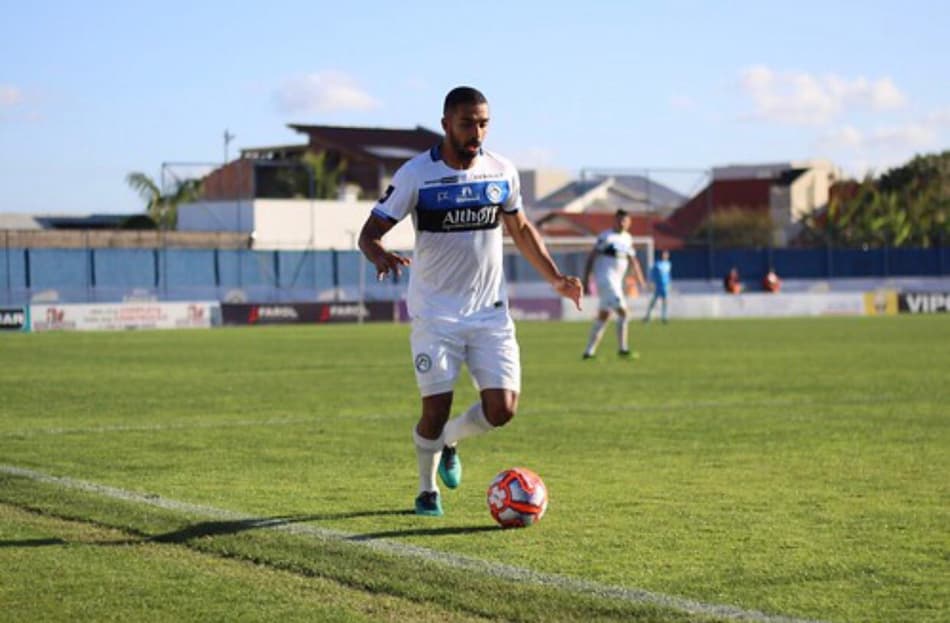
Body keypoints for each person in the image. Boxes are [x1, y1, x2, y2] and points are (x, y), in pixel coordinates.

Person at [357, 86, 583, 517]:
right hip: (435, 315)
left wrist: (556, 278)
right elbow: (369, 234)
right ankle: (426, 490)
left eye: (483, 122)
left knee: (503, 409)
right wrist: (378, 254)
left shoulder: (501, 172)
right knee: (434, 410)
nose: (476, 131)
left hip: (489, 315)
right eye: (467, 123)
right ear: (446, 125)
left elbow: (519, 229)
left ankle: (450, 442)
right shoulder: (415, 175)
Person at [581, 209, 646, 359]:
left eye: (625, 220)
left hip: (616, 283)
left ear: (629, 223)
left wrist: (640, 280)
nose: (622, 223)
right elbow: (592, 257)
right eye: (620, 220)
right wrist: (586, 279)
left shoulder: (628, 239)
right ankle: (623, 349)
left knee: (604, 316)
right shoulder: (606, 237)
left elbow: (633, 261)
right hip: (606, 280)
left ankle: (588, 352)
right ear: (614, 220)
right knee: (624, 313)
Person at [643, 249, 672, 323]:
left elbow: (668, 275)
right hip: (658, 286)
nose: (665, 256)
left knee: (665, 302)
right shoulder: (657, 264)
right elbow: (652, 274)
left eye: (666, 254)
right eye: (664, 254)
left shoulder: (668, 264)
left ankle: (664, 317)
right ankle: (648, 316)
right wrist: (652, 283)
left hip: (665, 286)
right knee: (653, 302)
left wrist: (669, 284)